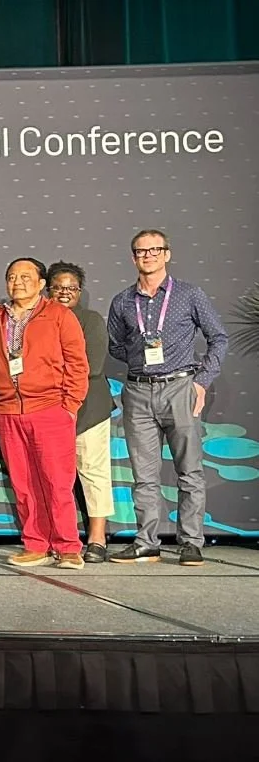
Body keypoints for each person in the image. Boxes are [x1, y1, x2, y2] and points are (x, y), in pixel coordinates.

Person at [107, 230, 228, 567]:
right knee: (143, 475)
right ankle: (146, 542)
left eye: (154, 249)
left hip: (180, 387)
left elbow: (218, 337)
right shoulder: (121, 301)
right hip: (138, 390)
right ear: (133, 257)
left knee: (189, 471)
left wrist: (201, 381)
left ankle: (191, 542)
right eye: (141, 251)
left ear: (167, 254)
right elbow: (116, 345)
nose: (148, 255)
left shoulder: (190, 295)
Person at [0, 258, 89, 568]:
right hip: (8, 412)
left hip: (50, 409)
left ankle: (68, 546)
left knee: (57, 481)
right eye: (12, 276)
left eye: (26, 277)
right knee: (24, 484)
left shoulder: (59, 316)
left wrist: (69, 406)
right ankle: (36, 544)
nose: (18, 282)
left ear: (42, 284)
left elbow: (77, 364)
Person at [48, 262, 115, 564]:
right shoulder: (39, 320)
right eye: (58, 287)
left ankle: (97, 537)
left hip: (89, 409)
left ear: (80, 291)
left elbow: (94, 366)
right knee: (55, 478)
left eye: (71, 288)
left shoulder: (90, 320)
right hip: (50, 410)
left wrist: (48, 374)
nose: (64, 293)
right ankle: (63, 536)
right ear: (47, 290)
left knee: (93, 471)